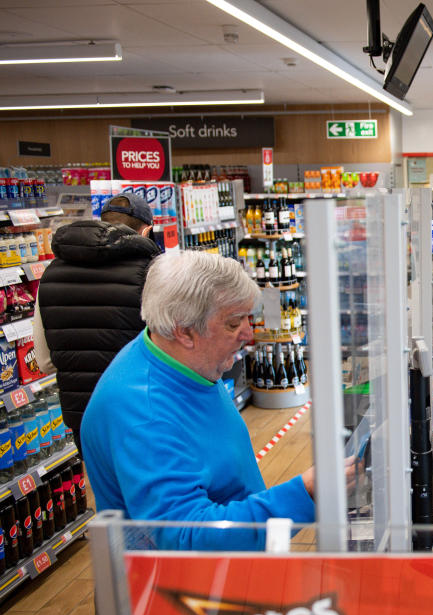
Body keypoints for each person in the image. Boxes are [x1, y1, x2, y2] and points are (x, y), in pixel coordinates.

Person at [81, 251, 316, 550]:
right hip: (178, 589)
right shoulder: (144, 413)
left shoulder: (182, 359)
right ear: (184, 331)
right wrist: (305, 493)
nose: (248, 333)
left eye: (248, 317)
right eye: (233, 323)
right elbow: (186, 538)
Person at [33, 193, 160, 458]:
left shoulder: (51, 273)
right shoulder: (151, 271)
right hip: (140, 409)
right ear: (146, 230)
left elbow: (44, 361)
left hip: (83, 415)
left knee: (107, 492)